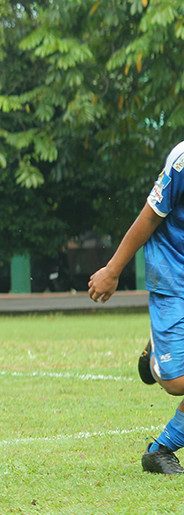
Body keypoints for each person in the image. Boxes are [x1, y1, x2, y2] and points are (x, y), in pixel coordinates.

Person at [88, 139, 184, 475]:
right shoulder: (182, 161)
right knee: (176, 383)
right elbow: (148, 217)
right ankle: (158, 353)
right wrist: (112, 271)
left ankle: (161, 450)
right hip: (173, 274)